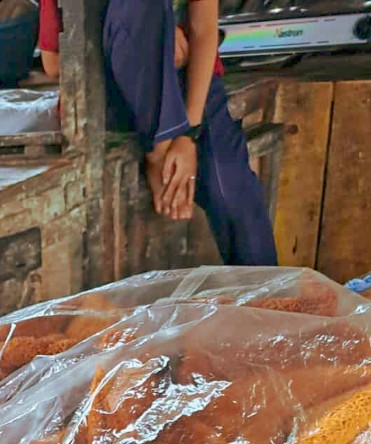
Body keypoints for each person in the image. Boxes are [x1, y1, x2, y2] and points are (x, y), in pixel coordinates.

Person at [38, 0, 277, 266]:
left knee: (230, 187)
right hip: (110, 88)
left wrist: (188, 135)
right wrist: (153, 43)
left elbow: (203, 31)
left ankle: (270, 292)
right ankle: (159, 150)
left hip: (189, 83)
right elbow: (53, 62)